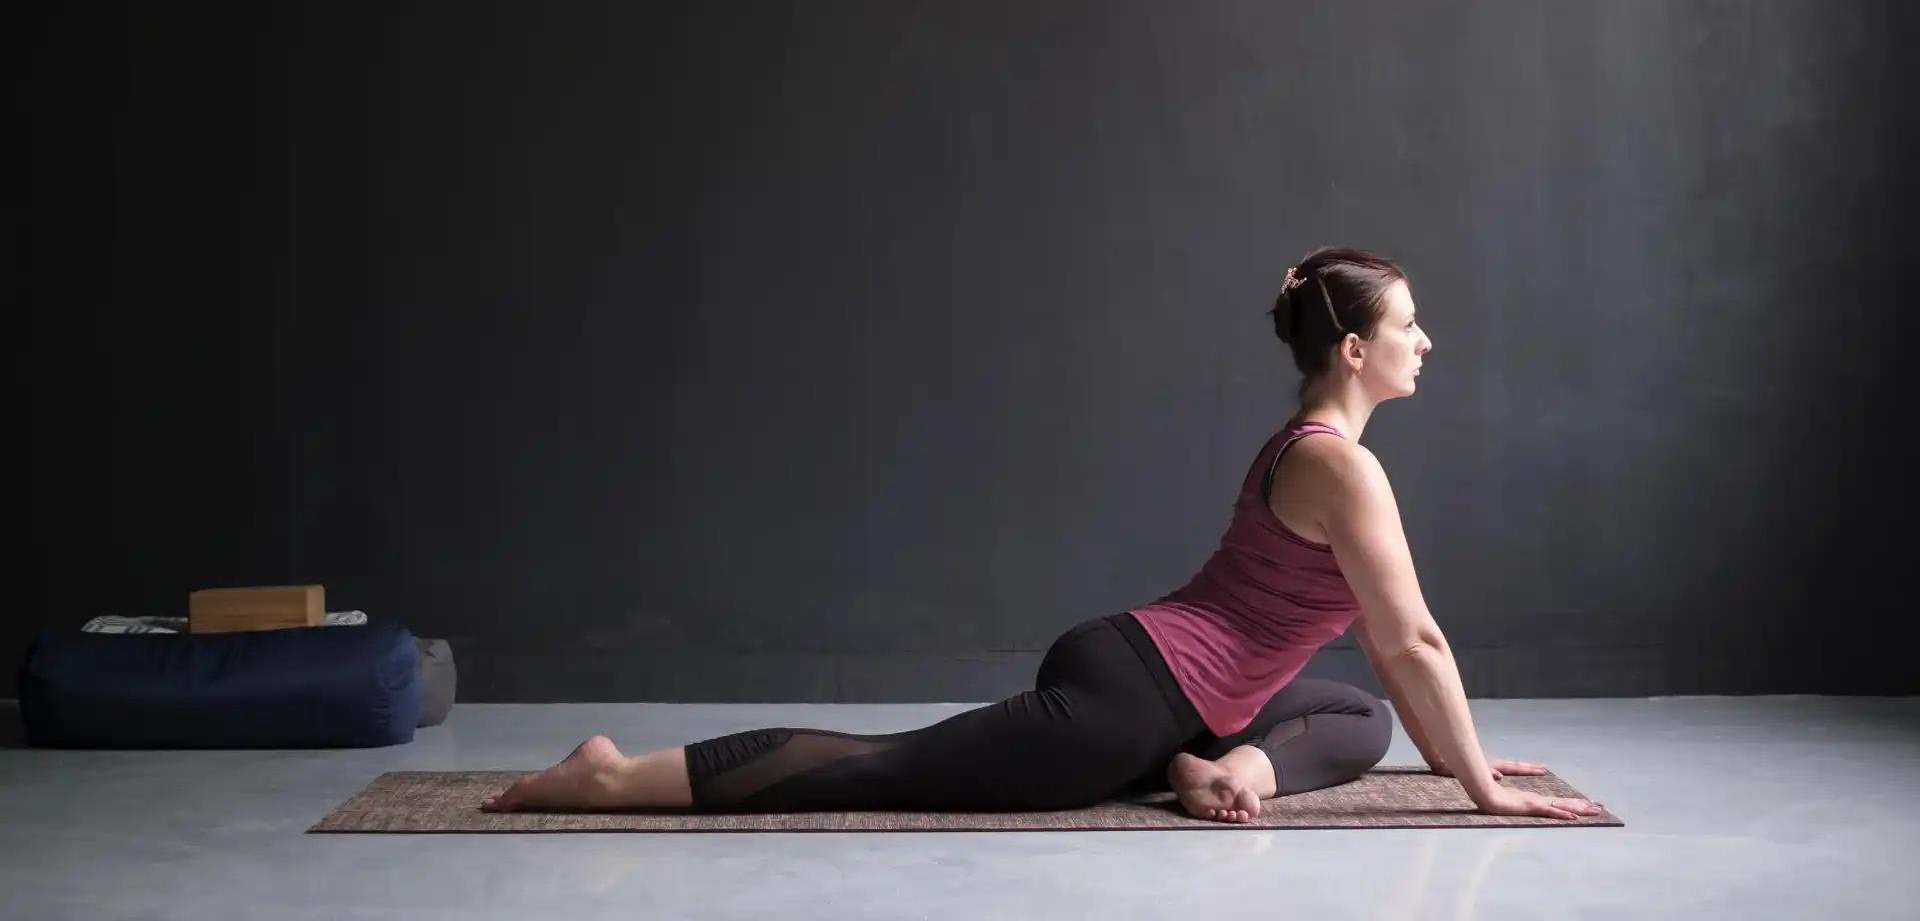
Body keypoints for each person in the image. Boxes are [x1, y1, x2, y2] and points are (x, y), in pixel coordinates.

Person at [483, 246, 1605, 822]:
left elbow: (1382, 666)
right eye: (1407, 325)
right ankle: (613, 778)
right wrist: (1481, 789)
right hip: (1129, 698)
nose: (1427, 342)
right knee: (888, 769)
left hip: (1165, 672)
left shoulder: (1310, 447)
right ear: (1353, 349)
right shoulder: (1340, 465)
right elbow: (1414, 642)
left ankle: (1223, 772)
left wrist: (1454, 750)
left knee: (1352, 719)